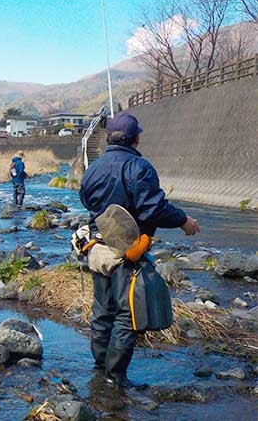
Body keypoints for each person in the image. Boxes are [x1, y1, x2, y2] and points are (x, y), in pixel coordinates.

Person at [79, 112, 199, 388]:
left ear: (109, 137)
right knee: (126, 315)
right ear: (135, 138)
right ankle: (114, 377)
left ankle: (100, 369)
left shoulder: (94, 167)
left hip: (97, 249)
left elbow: (85, 199)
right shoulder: (140, 168)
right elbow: (154, 209)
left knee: (102, 310)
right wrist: (184, 221)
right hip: (127, 253)